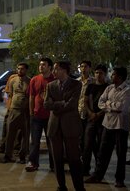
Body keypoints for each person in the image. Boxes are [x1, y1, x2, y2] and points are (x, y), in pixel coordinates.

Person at [85, 67, 130, 188]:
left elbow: (121, 107)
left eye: (114, 75)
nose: (112, 77)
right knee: (103, 152)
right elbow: (100, 103)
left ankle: (119, 179)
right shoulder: (109, 88)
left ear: (120, 77)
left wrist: (108, 105)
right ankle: (98, 175)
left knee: (121, 154)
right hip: (107, 124)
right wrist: (111, 106)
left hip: (120, 127)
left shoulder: (127, 91)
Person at [44, 61, 85, 191]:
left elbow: (71, 104)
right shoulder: (51, 85)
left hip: (70, 126)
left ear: (64, 70)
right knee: (57, 159)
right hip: (54, 126)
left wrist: (56, 104)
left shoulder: (76, 84)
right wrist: (62, 103)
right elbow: (46, 104)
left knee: (74, 159)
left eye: (56, 69)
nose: (54, 71)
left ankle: (79, 187)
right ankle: (61, 186)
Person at [25, 58, 55, 172]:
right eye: (40, 65)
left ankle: (54, 164)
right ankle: (33, 163)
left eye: (44, 65)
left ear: (50, 67)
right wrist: (31, 112)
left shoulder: (55, 80)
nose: (41, 67)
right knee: (35, 141)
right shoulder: (34, 79)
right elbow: (31, 97)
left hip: (51, 116)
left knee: (51, 141)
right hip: (36, 116)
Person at [82, 64, 109, 176]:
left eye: (101, 73)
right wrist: (90, 113)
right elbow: (85, 101)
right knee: (87, 145)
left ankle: (98, 171)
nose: (98, 75)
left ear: (105, 74)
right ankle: (85, 169)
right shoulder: (90, 87)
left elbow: (108, 104)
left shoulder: (108, 88)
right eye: (96, 73)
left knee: (101, 147)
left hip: (103, 120)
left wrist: (98, 114)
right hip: (91, 119)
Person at [4, 63, 30, 164]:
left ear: (26, 70)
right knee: (10, 134)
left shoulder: (30, 81)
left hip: (25, 111)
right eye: (18, 69)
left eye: (22, 69)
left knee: (25, 135)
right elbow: (10, 94)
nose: (20, 71)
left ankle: (22, 156)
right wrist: (9, 108)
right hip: (13, 110)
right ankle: (7, 156)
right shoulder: (13, 80)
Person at [0, 73, 18, 154]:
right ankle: (4, 146)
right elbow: (7, 92)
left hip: (18, 108)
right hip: (10, 107)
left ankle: (16, 148)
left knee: (17, 130)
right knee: (6, 127)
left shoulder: (25, 79)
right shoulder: (13, 77)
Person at [77, 61, 93, 148]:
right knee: (79, 137)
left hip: (89, 113)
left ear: (89, 68)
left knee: (89, 137)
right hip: (78, 112)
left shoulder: (93, 81)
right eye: (81, 66)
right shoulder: (77, 82)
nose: (83, 69)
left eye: (85, 67)